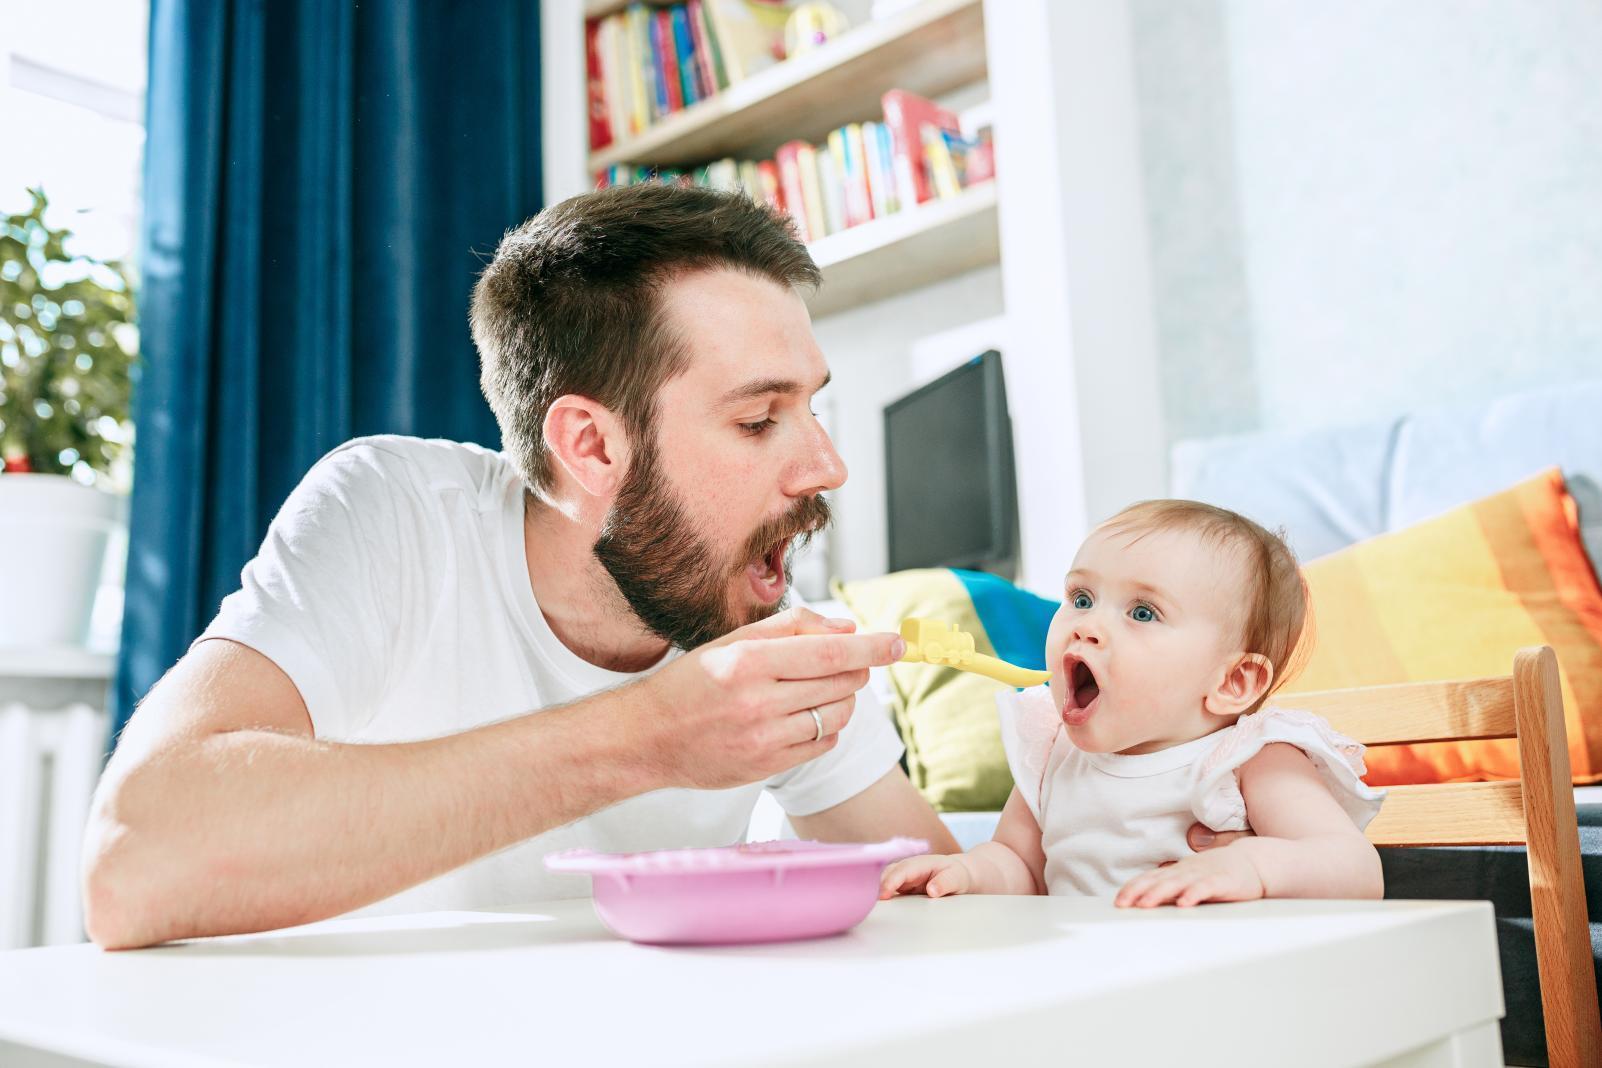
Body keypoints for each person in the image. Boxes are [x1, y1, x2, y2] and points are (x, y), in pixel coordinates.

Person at [82, 183, 961, 949]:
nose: (828, 466)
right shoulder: (395, 514)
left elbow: (943, 900)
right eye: (760, 419)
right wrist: (650, 737)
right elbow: (133, 862)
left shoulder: (734, 609)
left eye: (812, 408)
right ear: (590, 444)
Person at [880, 499, 1386, 906]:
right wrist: (967, 871)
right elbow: (1019, 865)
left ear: (1234, 681)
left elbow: (1354, 869)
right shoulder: (1051, 751)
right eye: (1081, 598)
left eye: (1143, 612)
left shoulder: (1250, 758)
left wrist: (1252, 866)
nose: (1087, 625)